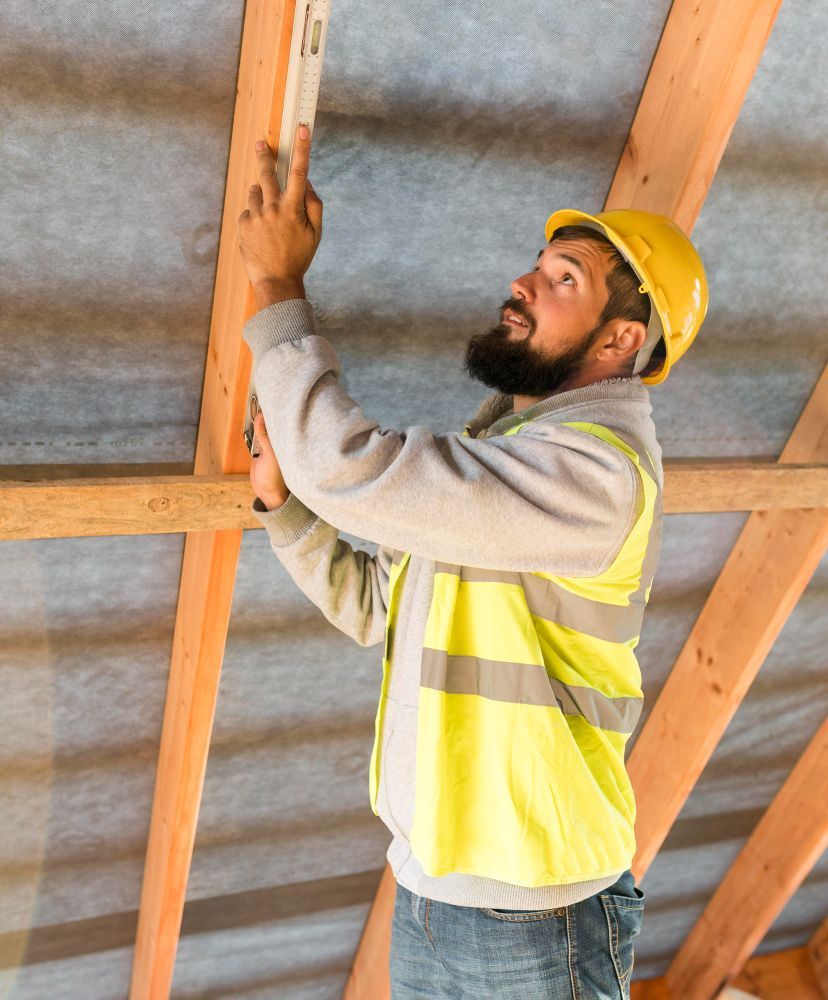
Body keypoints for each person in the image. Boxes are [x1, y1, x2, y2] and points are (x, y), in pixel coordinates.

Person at [237, 124, 708, 999]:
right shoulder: (508, 450)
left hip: (537, 911)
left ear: (618, 342)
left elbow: (350, 467)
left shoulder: (594, 473)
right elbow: (381, 605)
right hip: (434, 890)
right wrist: (283, 506)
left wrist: (276, 284)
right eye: (539, 263)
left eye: (565, 279)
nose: (522, 283)